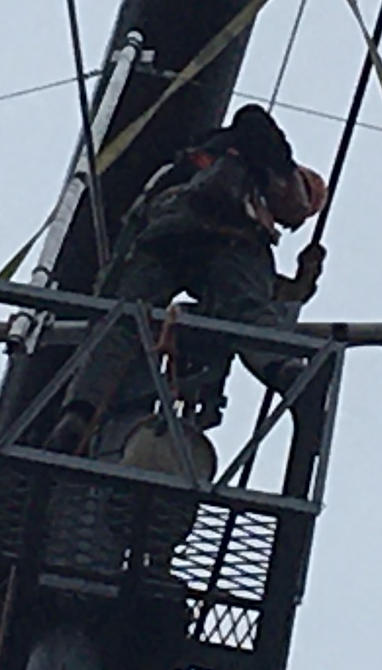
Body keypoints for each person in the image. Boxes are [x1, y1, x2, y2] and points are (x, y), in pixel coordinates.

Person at [63, 105, 327, 452]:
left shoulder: (192, 167)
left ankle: (79, 412)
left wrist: (305, 278)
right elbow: (248, 299)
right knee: (245, 319)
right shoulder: (263, 165)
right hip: (230, 237)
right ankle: (287, 372)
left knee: (123, 321)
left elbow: (266, 290)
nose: (291, 223)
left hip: (167, 236)